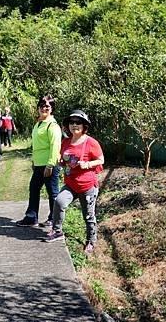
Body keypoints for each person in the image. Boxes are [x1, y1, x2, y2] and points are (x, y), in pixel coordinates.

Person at [45, 110, 104, 257]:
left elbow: (101, 160)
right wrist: (60, 161)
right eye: (71, 122)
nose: (74, 125)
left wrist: (88, 164)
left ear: (84, 125)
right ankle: (57, 231)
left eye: (78, 122)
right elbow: (64, 158)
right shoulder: (65, 141)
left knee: (88, 216)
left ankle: (91, 241)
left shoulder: (91, 142)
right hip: (71, 184)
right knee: (59, 201)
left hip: (87, 186)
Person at [16, 95, 61, 228]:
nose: (44, 108)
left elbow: (55, 146)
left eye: (47, 106)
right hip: (38, 164)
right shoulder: (38, 124)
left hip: (49, 165)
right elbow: (37, 145)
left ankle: (54, 219)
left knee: (52, 192)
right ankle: (31, 217)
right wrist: (34, 161)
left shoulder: (52, 126)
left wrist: (50, 165)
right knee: (34, 188)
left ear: (52, 108)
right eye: (41, 106)